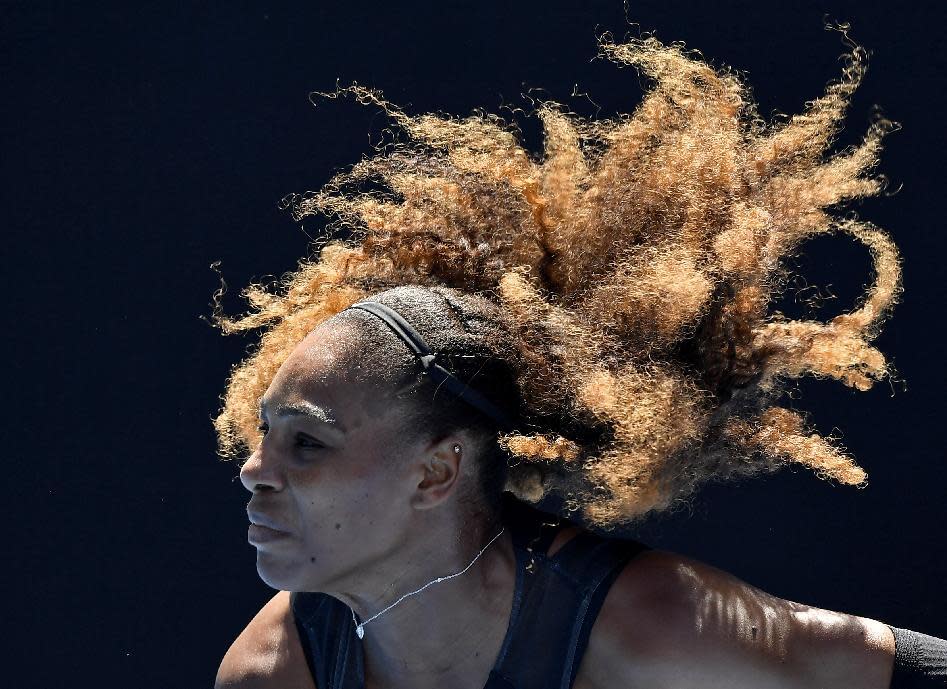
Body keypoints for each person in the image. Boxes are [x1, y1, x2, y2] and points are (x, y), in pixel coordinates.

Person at [212, 30, 946, 689]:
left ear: (435, 472)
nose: (254, 468)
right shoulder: (273, 672)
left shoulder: (657, 631)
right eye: (264, 430)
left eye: (306, 441)